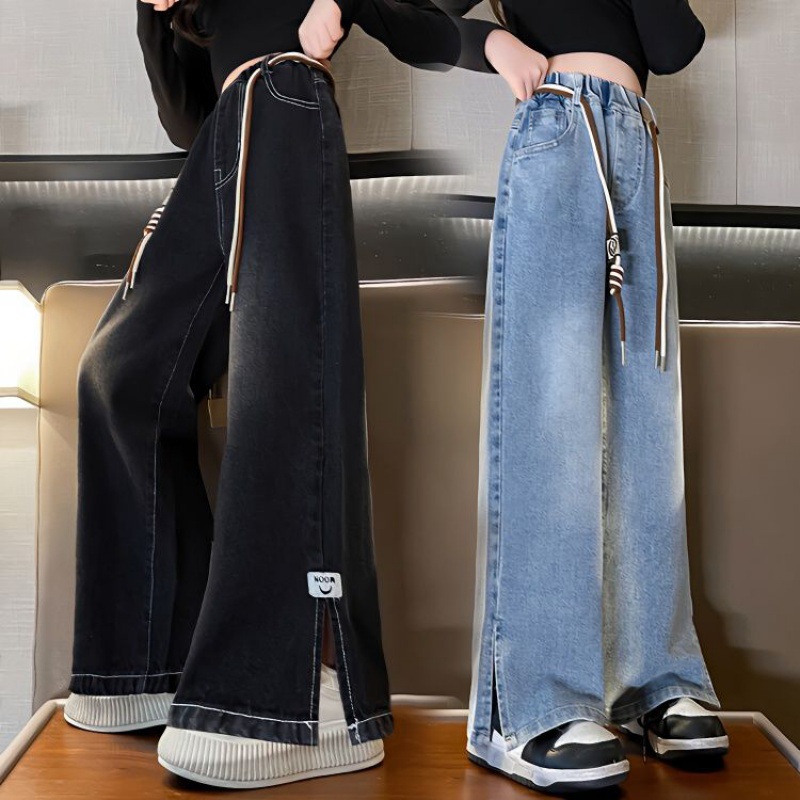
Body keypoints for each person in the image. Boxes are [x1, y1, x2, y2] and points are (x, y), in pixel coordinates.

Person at [62, 0, 508, 790]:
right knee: (118, 376)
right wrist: (152, 14)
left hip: (285, 100)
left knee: (280, 379)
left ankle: (306, 694)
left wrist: (486, 41)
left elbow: (410, 14)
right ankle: (153, 660)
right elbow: (185, 121)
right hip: (222, 136)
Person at [436, 0, 729, 793]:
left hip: (637, 136)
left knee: (648, 418)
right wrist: (491, 41)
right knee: (552, 412)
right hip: (560, 124)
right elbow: (407, 14)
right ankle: (533, 707)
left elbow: (674, 41)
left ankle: (655, 681)